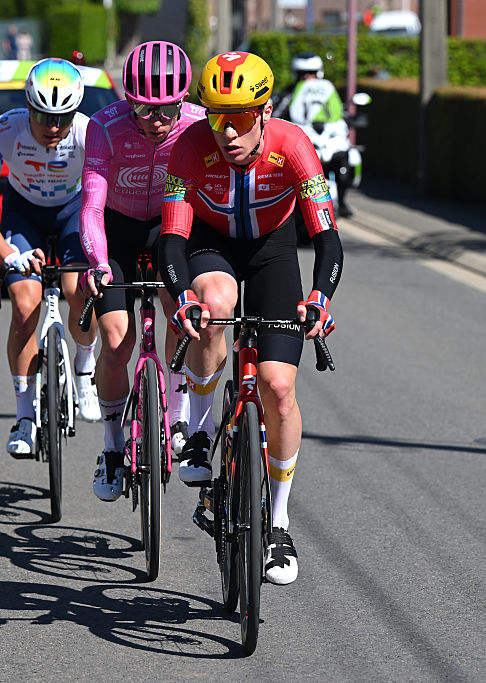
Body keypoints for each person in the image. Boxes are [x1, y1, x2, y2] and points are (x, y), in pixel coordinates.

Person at [159, 52, 343, 585]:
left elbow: (327, 239)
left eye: (239, 118)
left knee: (278, 387)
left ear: (264, 112)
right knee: (214, 304)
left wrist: (320, 297)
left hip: (272, 251)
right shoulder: (190, 147)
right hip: (211, 243)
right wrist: (183, 297)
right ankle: (198, 428)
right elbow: (171, 239)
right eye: (217, 117)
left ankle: (279, 523)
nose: (227, 132)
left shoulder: (294, 146)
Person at [79, 40, 205, 502]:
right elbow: (91, 205)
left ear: (183, 99)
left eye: (167, 109)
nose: (155, 120)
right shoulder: (104, 126)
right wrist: (98, 262)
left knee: (181, 310)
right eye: (143, 109)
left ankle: (176, 413)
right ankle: (112, 445)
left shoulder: (197, 124)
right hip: (118, 231)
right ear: (128, 100)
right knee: (116, 342)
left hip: (171, 226)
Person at [0, 57, 100, 457]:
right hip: (24, 213)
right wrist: (8, 254)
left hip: (74, 211)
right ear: (28, 107)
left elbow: (103, 199)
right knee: (25, 305)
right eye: (43, 116)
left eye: (63, 117)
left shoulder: (89, 133)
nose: (53, 127)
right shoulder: (2, 131)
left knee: (80, 290)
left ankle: (85, 368)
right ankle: (25, 416)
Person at [272, 52, 355, 217]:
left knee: (348, 159)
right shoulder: (288, 94)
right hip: (302, 142)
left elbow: (338, 112)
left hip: (327, 141)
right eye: (303, 74)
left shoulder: (327, 90)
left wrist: (349, 119)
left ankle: (342, 200)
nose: (307, 77)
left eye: (311, 73)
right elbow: (275, 116)